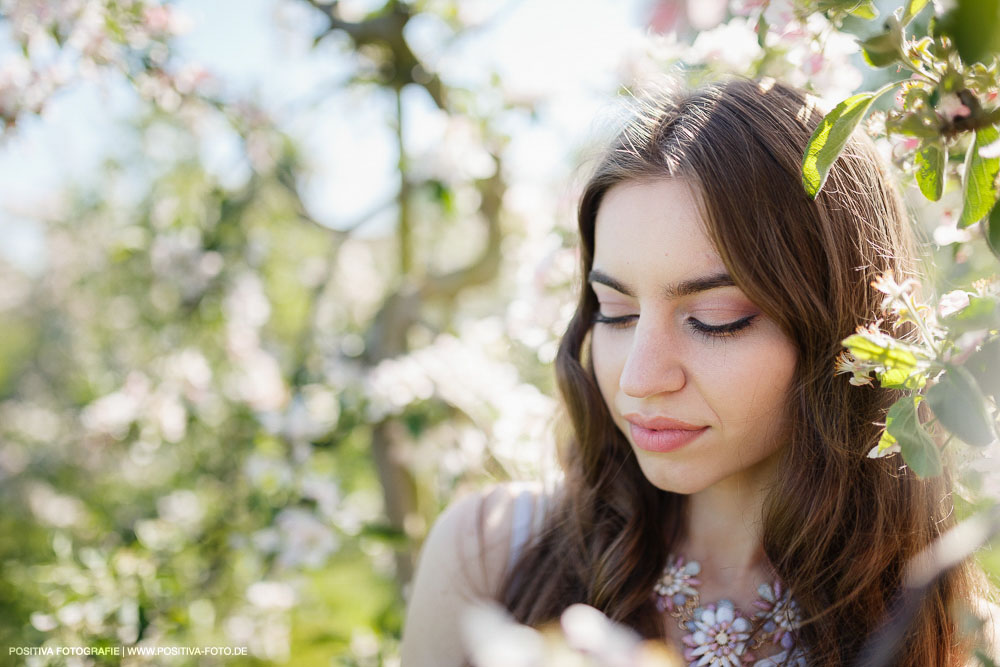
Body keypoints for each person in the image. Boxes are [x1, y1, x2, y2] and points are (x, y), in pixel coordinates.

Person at [399, 77, 992, 666]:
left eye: (715, 318)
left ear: (844, 328)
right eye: (616, 312)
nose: (640, 378)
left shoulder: (952, 632)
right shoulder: (489, 550)